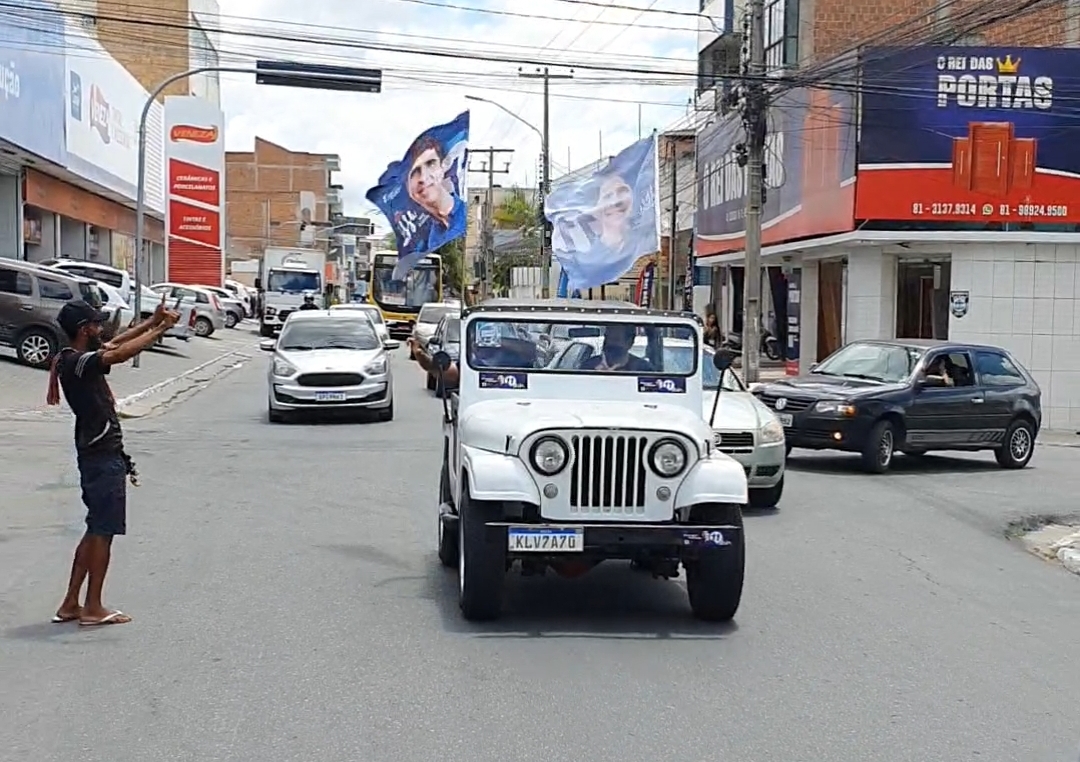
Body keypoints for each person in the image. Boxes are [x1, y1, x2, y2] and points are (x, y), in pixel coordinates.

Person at [46, 296, 180, 627]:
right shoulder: (78, 362)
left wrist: (151, 322)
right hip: (101, 455)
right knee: (103, 531)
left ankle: (71, 603)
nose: (101, 329)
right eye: (96, 324)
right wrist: (161, 329)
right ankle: (93, 607)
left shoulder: (72, 358)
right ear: (84, 329)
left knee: (95, 528)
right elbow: (118, 354)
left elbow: (114, 345)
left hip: (97, 452)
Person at [405, 135, 466, 252]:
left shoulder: (465, 216)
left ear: (443, 168)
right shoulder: (433, 235)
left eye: (430, 164)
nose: (423, 177)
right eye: (415, 172)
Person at [581, 324, 652, 372]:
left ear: (630, 341)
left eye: (616, 339)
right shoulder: (590, 366)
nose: (610, 343)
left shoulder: (643, 368)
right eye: (607, 338)